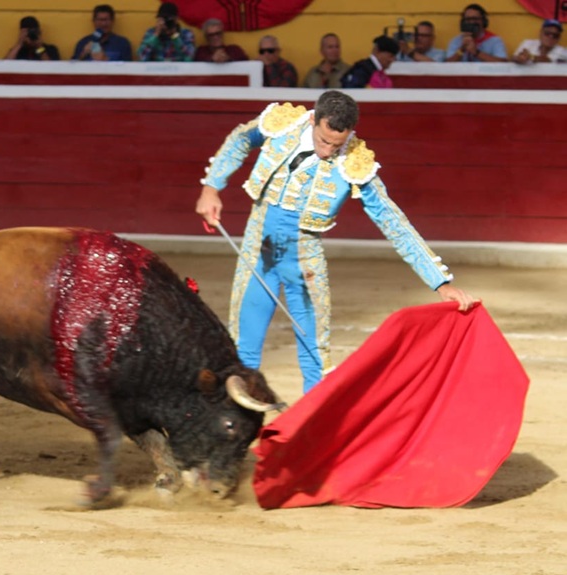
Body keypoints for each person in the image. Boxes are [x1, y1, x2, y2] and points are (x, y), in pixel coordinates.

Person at [195, 90, 474, 393]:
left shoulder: (354, 162)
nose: (327, 151)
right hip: (257, 253)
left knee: (315, 356)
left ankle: (315, 422)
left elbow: (393, 222)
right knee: (243, 349)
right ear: (313, 120)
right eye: (323, 140)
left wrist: (440, 282)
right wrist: (211, 187)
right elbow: (240, 139)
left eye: (336, 145)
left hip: (304, 263)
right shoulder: (282, 124)